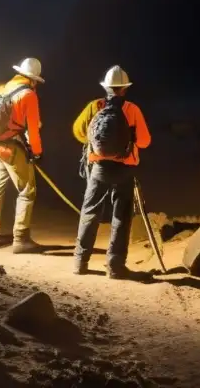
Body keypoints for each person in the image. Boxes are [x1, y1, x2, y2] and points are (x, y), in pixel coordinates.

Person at [71, 65, 151, 279]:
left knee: (89, 212)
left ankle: (80, 262)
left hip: (98, 167)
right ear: (124, 88)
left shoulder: (94, 106)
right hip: (124, 168)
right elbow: (144, 141)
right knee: (121, 217)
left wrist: (96, 145)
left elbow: (78, 131)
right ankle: (115, 267)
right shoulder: (132, 109)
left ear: (106, 87)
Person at [0, 57, 44, 254]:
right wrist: (37, 152)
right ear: (33, 79)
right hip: (11, 147)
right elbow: (33, 130)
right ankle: (21, 238)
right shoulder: (28, 95)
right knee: (28, 190)